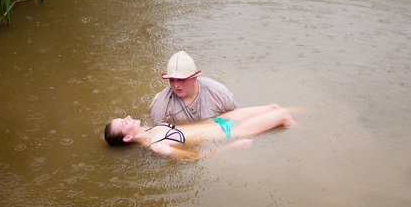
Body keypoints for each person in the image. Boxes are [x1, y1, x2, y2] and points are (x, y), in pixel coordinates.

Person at [104, 104, 295, 159]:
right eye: (124, 122)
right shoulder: (157, 147)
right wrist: (232, 148)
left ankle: (321, 110)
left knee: (274, 108)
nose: (128, 117)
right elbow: (197, 157)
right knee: (283, 115)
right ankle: (299, 138)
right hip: (230, 132)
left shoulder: (147, 129)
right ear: (128, 137)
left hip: (221, 120)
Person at [150, 51, 237, 124]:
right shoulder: (162, 106)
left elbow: (235, 116)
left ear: (194, 78)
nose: (176, 85)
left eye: (181, 80)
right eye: (172, 80)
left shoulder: (218, 93)